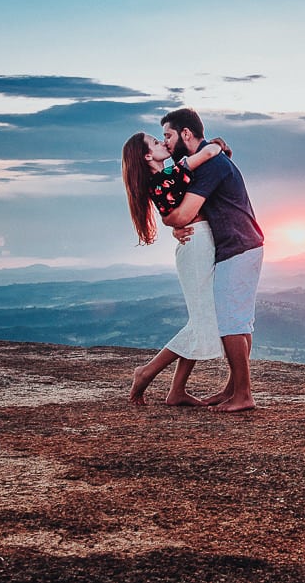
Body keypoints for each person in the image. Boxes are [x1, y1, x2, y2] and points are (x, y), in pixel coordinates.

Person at [160, 107, 265, 413]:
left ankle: (243, 395)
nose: (165, 143)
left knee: (231, 322)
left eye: (168, 135)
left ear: (186, 134)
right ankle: (233, 389)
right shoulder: (208, 158)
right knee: (240, 321)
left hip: (238, 246)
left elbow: (184, 213)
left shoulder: (210, 164)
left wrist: (173, 223)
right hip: (243, 244)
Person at [121, 132, 225, 406]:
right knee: (202, 321)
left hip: (197, 241)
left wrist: (173, 226)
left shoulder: (161, 179)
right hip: (196, 244)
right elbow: (209, 155)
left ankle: (176, 391)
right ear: (147, 157)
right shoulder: (171, 174)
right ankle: (146, 372)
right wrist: (216, 145)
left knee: (200, 320)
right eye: (157, 143)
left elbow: (171, 214)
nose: (163, 143)